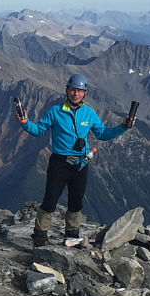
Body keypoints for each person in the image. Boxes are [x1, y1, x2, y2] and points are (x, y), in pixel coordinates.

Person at [15, 73, 135, 246]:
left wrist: (123, 127)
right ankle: (40, 236)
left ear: (84, 93)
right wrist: (25, 122)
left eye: (79, 91)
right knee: (50, 200)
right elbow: (39, 130)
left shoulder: (89, 113)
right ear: (67, 90)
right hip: (59, 162)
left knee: (76, 201)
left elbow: (102, 133)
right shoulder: (55, 112)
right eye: (72, 90)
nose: (75, 94)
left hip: (81, 163)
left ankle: (71, 236)